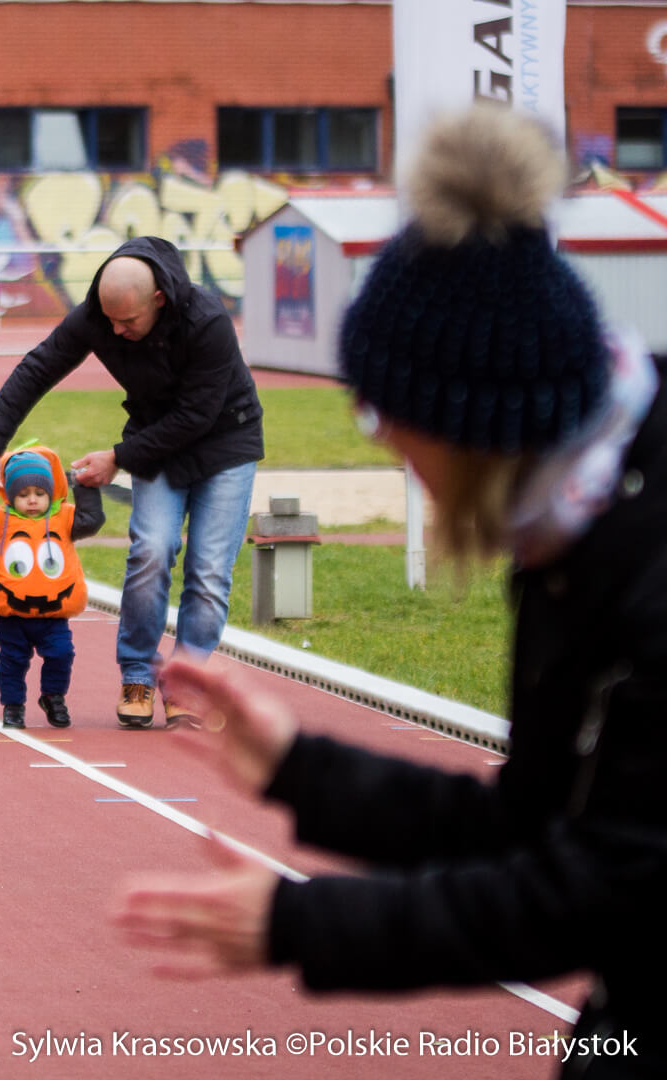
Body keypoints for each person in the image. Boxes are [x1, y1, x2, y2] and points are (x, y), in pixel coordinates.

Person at [114, 106, 667, 1078]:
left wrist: (304, 924)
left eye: (382, 417)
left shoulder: (643, 572)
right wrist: (304, 770)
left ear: (467, 424)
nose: (382, 444)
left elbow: (600, 891)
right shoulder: (571, 521)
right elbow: (533, 818)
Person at [0, 237, 261, 729]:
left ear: (158, 298)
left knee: (208, 572)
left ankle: (185, 682)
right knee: (152, 551)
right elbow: (38, 368)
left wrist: (118, 458)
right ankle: (137, 674)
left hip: (226, 441)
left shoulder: (207, 321)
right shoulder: (100, 315)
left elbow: (196, 416)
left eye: (128, 321)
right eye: (110, 320)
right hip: (154, 439)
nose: (116, 331)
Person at [0, 445, 103, 729]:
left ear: (50, 493)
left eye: (39, 493)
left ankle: (53, 696)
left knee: (61, 654)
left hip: (53, 615)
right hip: (12, 616)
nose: (31, 500)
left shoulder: (63, 519)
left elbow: (91, 520)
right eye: (23, 494)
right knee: (12, 661)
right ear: (10, 495)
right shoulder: (0, 520)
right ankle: (13, 706)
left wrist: (85, 486)